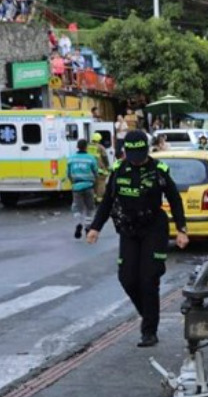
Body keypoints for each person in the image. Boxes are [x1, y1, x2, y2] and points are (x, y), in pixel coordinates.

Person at [86, 131, 189, 347]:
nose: (136, 158)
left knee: (149, 279)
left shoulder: (158, 170)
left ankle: (149, 331)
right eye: (132, 153)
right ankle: (148, 313)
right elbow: (107, 201)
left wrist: (181, 229)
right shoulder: (119, 169)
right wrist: (95, 227)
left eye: (140, 153)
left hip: (154, 227)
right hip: (129, 229)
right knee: (128, 278)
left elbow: (175, 199)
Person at [67, 139, 100, 239]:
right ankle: (87, 227)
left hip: (76, 186)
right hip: (89, 186)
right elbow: (96, 173)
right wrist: (95, 183)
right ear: (86, 147)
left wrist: (73, 183)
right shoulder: (91, 158)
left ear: (77, 146)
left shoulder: (71, 159)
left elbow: (68, 174)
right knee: (90, 208)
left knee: (77, 208)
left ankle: (78, 224)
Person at [87, 132, 110, 201]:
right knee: (101, 183)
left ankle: (93, 197)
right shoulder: (100, 147)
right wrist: (107, 165)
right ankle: (100, 199)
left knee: (93, 183)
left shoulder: (87, 146)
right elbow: (105, 157)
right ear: (99, 139)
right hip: (100, 169)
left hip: (90, 169)